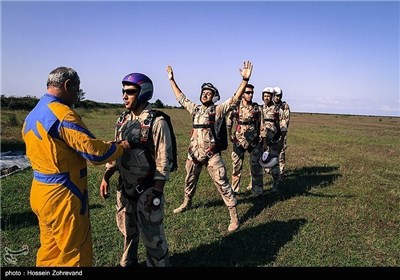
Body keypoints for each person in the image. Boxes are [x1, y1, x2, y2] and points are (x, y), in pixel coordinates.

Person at [21, 66, 130, 267]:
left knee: (50, 250)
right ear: (67, 85)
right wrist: (119, 147)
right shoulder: (63, 114)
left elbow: (63, 147)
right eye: (76, 90)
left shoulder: (33, 114)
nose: (77, 95)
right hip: (64, 195)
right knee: (74, 254)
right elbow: (94, 153)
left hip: (40, 192)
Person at [166, 61, 253, 232]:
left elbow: (234, 98)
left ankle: (234, 217)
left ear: (213, 97)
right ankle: (186, 203)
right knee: (189, 180)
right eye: (203, 93)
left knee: (223, 183)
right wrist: (171, 80)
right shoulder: (195, 109)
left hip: (211, 154)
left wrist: (244, 80)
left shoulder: (218, 110)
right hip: (193, 154)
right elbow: (181, 98)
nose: (205, 95)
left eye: (209, 93)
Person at [99, 73, 174, 267]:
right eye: (123, 91)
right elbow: (116, 152)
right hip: (125, 189)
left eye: (130, 92)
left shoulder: (157, 122)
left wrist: (157, 191)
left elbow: (163, 160)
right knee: (128, 233)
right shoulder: (122, 120)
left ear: (143, 93)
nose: (124, 96)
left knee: (153, 239)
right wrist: (107, 176)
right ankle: (128, 263)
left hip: (147, 190)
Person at [226, 84, 263, 197]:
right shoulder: (236, 107)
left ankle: (257, 191)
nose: (250, 95)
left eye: (252, 92)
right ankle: (235, 190)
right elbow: (229, 122)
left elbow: (262, 124)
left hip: (254, 140)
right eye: (247, 92)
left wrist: (263, 141)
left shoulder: (257, 108)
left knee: (256, 167)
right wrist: (229, 136)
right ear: (242, 94)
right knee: (236, 167)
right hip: (239, 139)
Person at [259, 87, 282, 192]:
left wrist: (280, 140)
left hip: (273, 140)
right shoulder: (259, 109)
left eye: (268, 96)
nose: (266, 98)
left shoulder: (277, 110)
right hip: (260, 139)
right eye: (265, 96)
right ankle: (254, 184)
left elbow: (282, 126)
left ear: (272, 97)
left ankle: (276, 183)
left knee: (273, 163)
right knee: (256, 162)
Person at [273, 87, 290, 177]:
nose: (277, 98)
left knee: (281, 153)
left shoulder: (284, 106)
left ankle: (281, 172)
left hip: (281, 133)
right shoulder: (269, 105)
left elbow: (286, 121)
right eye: (276, 95)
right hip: (271, 133)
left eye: (279, 96)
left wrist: (282, 133)